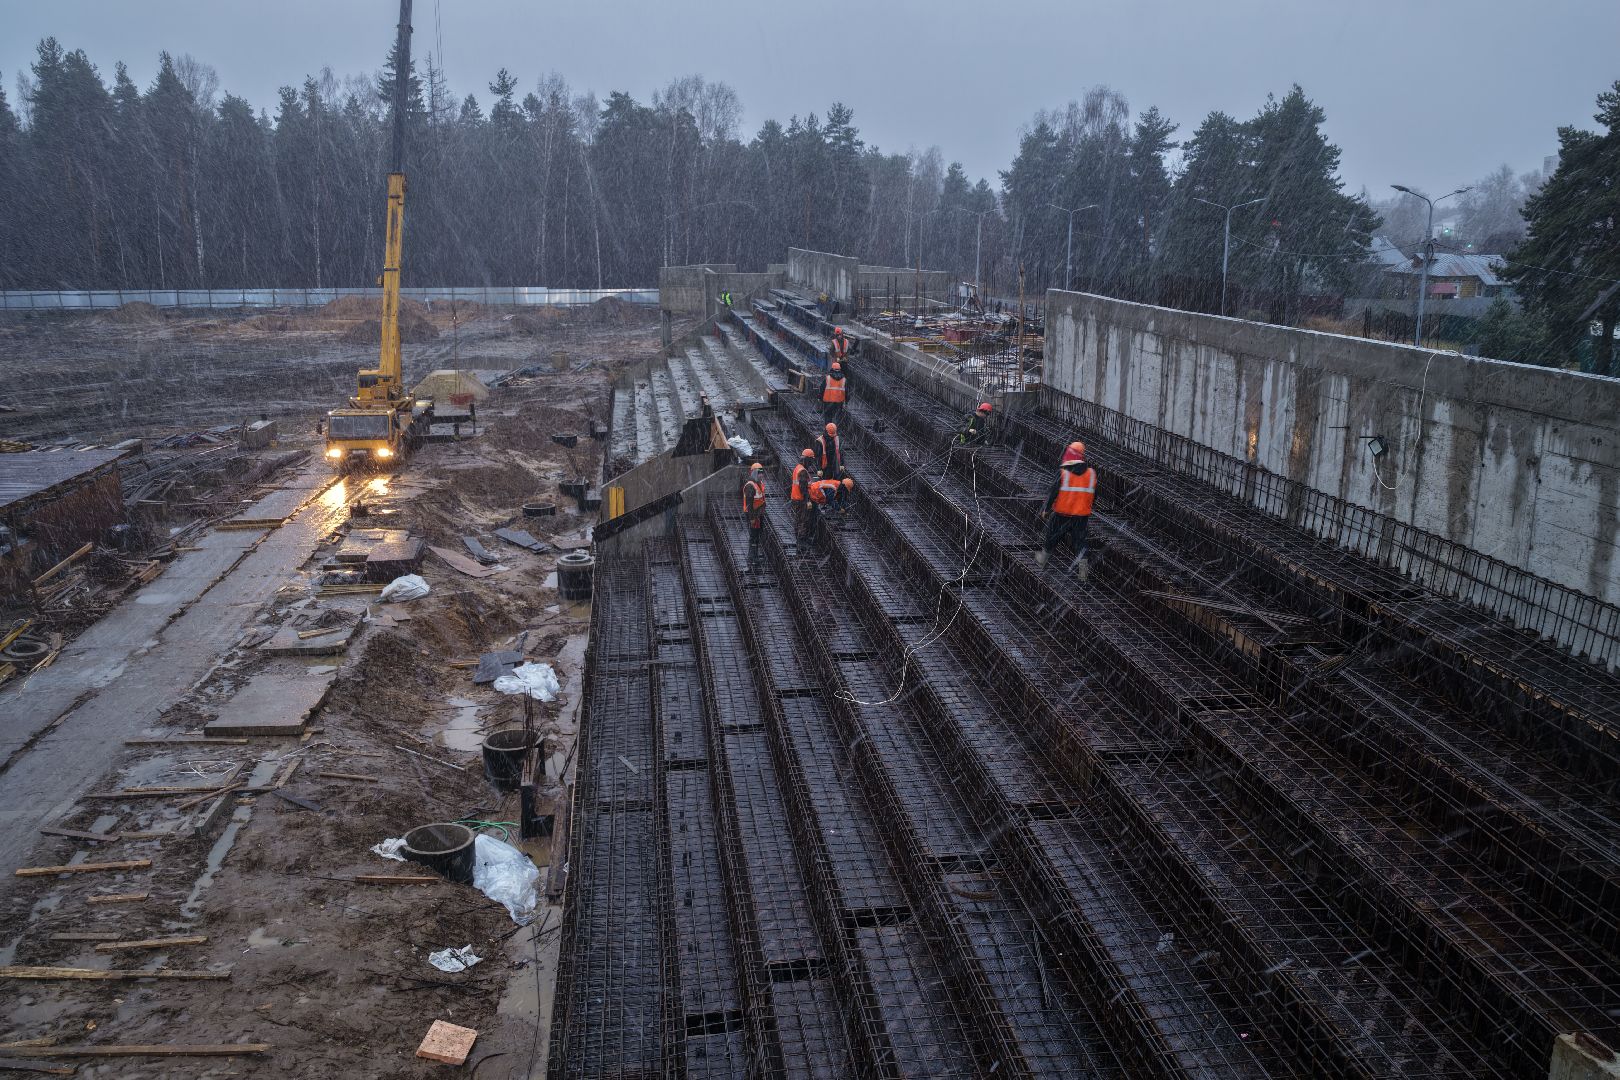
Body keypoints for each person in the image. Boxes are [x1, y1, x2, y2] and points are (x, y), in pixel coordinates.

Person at [1039, 441, 1095, 580]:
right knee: (1080, 543)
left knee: (1052, 538)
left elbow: (1053, 492)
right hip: (1081, 516)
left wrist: (1046, 509)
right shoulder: (1091, 473)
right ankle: (1083, 573)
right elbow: (1095, 495)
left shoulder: (1063, 472)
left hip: (1062, 514)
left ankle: (1042, 561)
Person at [806, 475, 853, 551]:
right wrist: (839, 509)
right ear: (844, 487)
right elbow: (830, 499)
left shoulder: (838, 486)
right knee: (814, 517)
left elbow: (841, 498)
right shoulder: (834, 487)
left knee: (815, 516)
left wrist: (845, 508)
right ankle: (810, 538)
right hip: (813, 494)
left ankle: (811, 536)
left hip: (815, 494)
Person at [741, 462, 768, 570]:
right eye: (759, 473)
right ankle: (752, 557)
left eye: (762, 473)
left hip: (758, 515)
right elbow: (749, 505)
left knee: (756, 536)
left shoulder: (758, 484)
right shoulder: (750, 486)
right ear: (755, 473)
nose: (761, 475)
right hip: (753, 516)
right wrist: (752, 518)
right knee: (754, 536)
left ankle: (754, 556)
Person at [790, 448, 816, 541]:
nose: (811, 463)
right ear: (807, 459)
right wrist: (808, 500)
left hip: (795, 498)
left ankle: (798, 538)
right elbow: (803, 488)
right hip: (800, 499)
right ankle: (801, 541)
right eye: (811, 460)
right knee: (803, 520)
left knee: (798, 519)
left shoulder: (798, 467)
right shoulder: (803, 471)